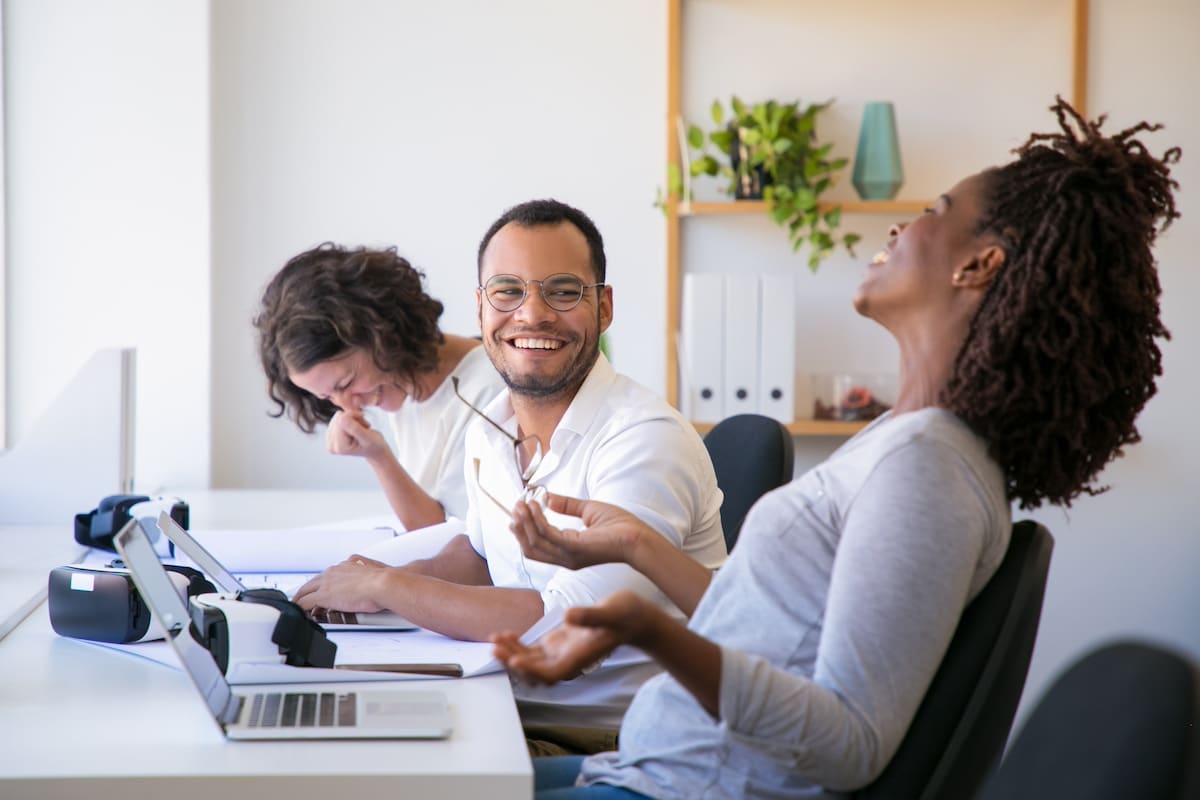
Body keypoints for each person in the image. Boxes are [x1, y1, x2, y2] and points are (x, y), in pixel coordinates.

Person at [491, 98, 1181, 798]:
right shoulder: (902, 440)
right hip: (648, 771)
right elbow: (762, 631)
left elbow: (847, 743)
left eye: (935, 210)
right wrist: (636, 545)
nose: (901, 224)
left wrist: (647, 629)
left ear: (978, 266)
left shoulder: (929, 469)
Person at [292, 200, 728, 755]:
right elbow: (481, 553)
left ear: (605, 307)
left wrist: (391, 587)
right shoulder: (491, 427)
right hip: (505, 706)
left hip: (612, 742)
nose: (532, 314)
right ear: (481, 309)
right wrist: (379, 580)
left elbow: (567, 622)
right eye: (508, 291)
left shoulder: (644, 440)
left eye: (564, 291)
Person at [254, 243, 505, 529]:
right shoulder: (401, 389)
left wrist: (379, 458)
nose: (348, 405)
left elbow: (449, 540)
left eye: (346, 383)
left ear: (382, 336)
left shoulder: (488, 392)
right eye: (328, 396)